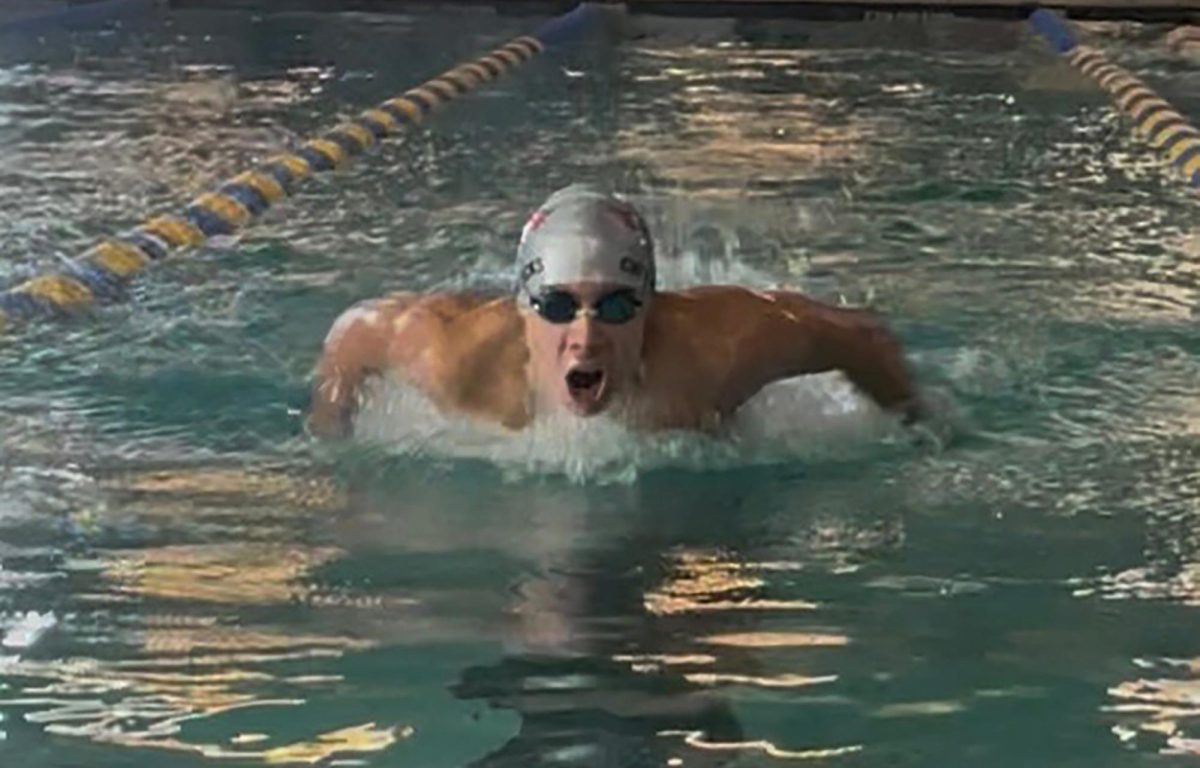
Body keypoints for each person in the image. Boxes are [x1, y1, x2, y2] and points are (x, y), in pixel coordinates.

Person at [307, 184, 924, 438]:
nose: (586, 335)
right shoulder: (457, 359)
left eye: (617, 305)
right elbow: (350, 337)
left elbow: (863, 338)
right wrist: (329, 439)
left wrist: (922, 428)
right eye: (556, 306)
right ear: (522, 309)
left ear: (651, 309)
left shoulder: (716, 351)